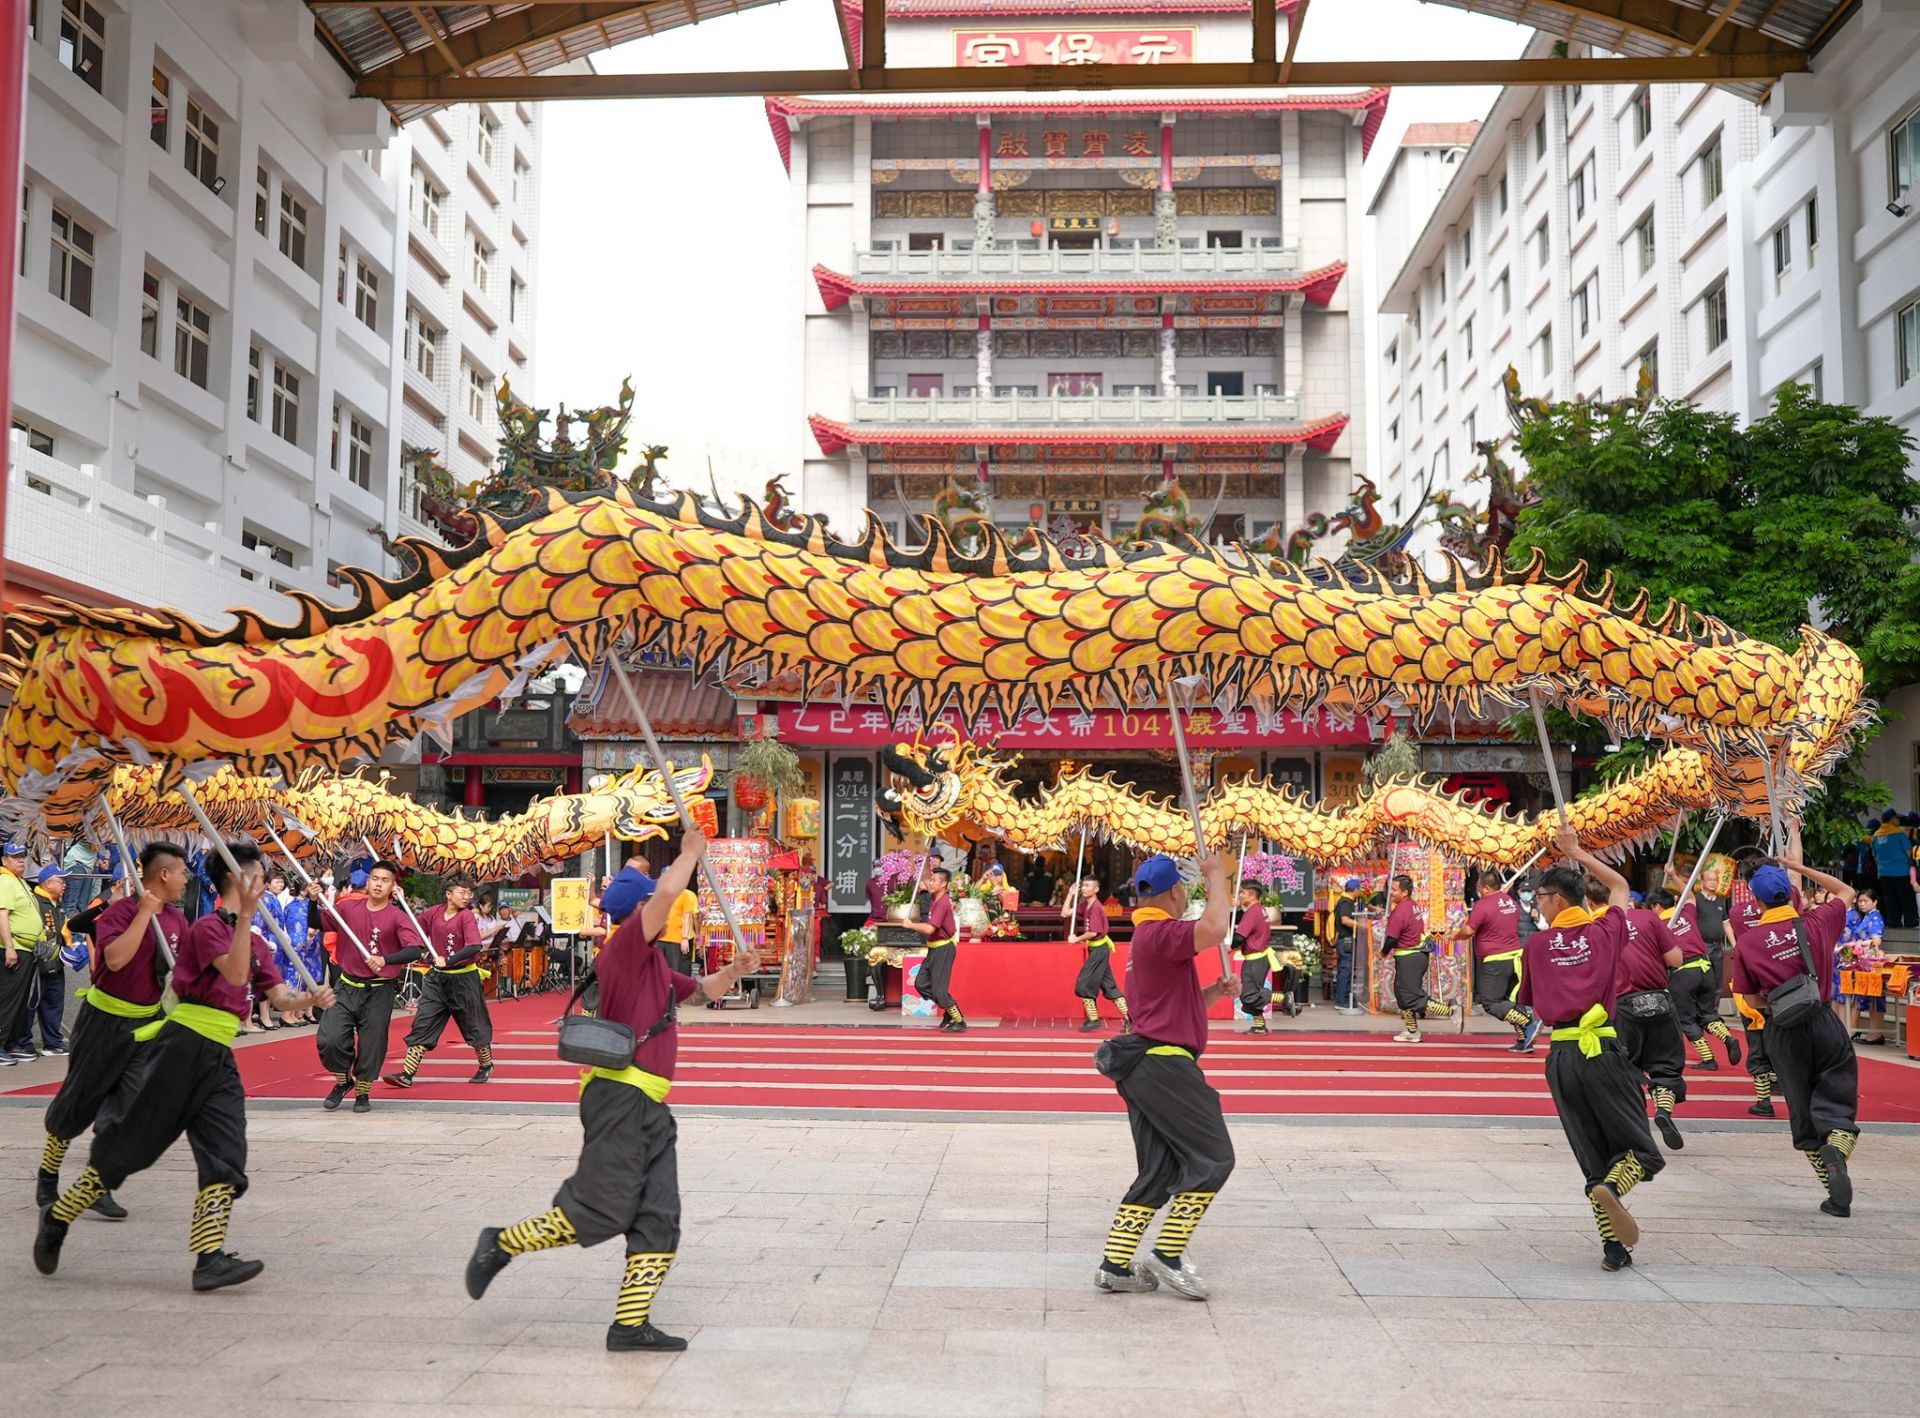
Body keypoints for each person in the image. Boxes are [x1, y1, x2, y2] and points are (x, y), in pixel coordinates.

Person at [465, 831, 761, 1352]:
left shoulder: (652, 965)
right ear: (639, 908)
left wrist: (734, 971)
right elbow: (667, 896)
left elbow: (703, 993)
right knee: (600, 1209)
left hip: (647, 1105)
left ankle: (629, 1325)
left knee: (658, 1217)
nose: (660, 903)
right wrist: (690, 854)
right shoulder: (624, 947)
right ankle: (502, 1243)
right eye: (651, 898)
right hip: (620, 1100)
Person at [34, 841, 334, 1290]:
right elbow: (233, 975)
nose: (264, 882)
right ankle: (59, 1215)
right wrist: (248, 917)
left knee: (226, 1152)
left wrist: (308, 998)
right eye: (257, 874)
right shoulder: (209, 929)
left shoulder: (251, 938)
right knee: (131, 1147)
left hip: (218, 1055)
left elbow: (276, 995)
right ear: (237, 879)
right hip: (181, 1046)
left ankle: (208, 1258)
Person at [1518, 825, 1663, 1273]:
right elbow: (1619, 885)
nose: (1536, 907)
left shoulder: (1537, 946)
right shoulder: (1605, 932)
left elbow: (1529, 1005)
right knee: (1641, 1152)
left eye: (1539, 898)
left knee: (1592, 1156)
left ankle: (1614, 1248)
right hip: (1601, 1050)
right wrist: (1577, 851)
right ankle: (1616, 1191)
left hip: (1561, 1059)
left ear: (1556, 899)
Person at [1093, 852, 1237, 1300]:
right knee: (1213, 1158)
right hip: (1165, 1064)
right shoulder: (1159, 933)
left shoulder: (1147, 937)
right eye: (1185, 890)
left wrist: (1214, 991)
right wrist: (1216, 877)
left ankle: (1115, 1266)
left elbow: (1170, 1007)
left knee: (1158, 1170)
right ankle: (1168, 1254)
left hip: (1147, 1063)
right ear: (1176, 891)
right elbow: (1215, 929)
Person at [36, 843, 193, 1221]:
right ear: (164, 874)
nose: (188, 880)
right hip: (103, 1021)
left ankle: (97, 1182)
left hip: (146, 1025)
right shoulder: (117, 912)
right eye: (183, 873)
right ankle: (48, 1173)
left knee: (129, 1109)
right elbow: (116, 960)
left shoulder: (177, 920)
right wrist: (143, 915)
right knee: (79, 1100)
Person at [1730, 839, 1859, 1216]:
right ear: (1791, 895)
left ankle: (1835, 1195)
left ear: (1756, 902)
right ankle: (1838, 1144)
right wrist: (1799, 867)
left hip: (1783, 1030)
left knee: (1802, 1113)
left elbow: (1750, 999)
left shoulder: (1749, 942)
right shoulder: (1816, 923)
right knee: (1837, 1097)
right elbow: (1845, 891)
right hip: (1822, 1020)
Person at [315, 860, 427, 1113]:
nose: (378, 884)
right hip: (346, 985)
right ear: (368, 882)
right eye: (375, 878)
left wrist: (385, 959)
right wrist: (313, 900)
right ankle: (344, 1081)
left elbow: (413, 950)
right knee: (329, 1038)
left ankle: (363, 1092)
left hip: (379, 989)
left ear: (392, 887)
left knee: (372, 1043)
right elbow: (320, 922)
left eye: (384, 880)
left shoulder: (398, 917)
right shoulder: (349, 909)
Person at [385, 876, 496, 1088]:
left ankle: (486, 1064)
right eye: (462, 892)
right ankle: (407, 1074)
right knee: (424, 1021)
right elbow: (411, 927)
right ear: (448, 894)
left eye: (469, 893)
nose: (467, 897)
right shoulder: (434, 913)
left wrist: (449, 959)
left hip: (464, 978)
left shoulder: (467, 917)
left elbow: (474, 946)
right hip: (437, 979)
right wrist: (399, 902)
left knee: (474, 1025)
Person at [1609, 885, 1689, 1151]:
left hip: (1623, 1006)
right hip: (1659, 1001)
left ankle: (1630, 1128)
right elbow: (1676, 959)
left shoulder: (1596, 926)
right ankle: (1663, 1109)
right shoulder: (1648, 918)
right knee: (1665, 1065)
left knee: (1625, 1067)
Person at [1451, 868, 1541, 1052]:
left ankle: (1528, 1021)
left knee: (1490, 1002)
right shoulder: (1510, 901)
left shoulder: (1483, 905)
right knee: (1508, 1002)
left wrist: (1455, 936)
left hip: (1496, 959)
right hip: (1514, 955)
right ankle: (1524, 1039)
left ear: (1484, 888)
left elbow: (1468, 931)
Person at [1381, 874, 1454, 1042]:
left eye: (1394, 889)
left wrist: (1383, 952)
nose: (1391, 892)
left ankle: (1450, 1011)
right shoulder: (1412, 905)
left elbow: (1391, 938)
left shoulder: (1400, 910)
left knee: (1411, 997)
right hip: (1415, 956)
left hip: (1410, 957)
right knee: (1402, 994)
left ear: (1405, 892)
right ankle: (1411, 1030)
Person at [0, 842, 49, 1064]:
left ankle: (11, 1044)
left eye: (22, 856)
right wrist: (9, 947)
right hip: (14, 948)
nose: (21, 859)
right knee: (8, 1000)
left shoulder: (19, 881)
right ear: (4, 861)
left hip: (26, 949)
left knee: (19, 1001)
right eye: (15, 856)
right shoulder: (6, 880)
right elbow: (2, 915)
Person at [1065, 876, 1128, 1033]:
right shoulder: (1085, 905)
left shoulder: (1096, 908)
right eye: (1083, 886)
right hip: (1096, 949)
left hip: (1099, 949)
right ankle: (1132, 1020)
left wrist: (1076, 939)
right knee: (1109, 986)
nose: (1084, 888)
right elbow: (1066, 913)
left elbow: (1093, 932)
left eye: (1087, 885)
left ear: (1096, 889)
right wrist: (1070, 894)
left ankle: (1093, 1019)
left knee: (1083, 984)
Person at [906, 867, 964, 1031]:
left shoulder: (942, 903)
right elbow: (924, 877)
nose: (930, 883)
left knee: (939, 990)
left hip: (943, 949)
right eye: (931, 880)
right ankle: (948, 1009)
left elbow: (931, 929)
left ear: (944, 884)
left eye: (934, 881)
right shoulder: (935, 898)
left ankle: (958, 1020)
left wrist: (911, 925)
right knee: (921, 984)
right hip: (933, 949)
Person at [1839, 888, 1888, 1045]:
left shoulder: (1875, 917)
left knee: (1876, 997)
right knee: (1866, 996)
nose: (1862, 904)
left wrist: (1861, 944)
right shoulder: (1866, 917)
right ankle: (1871, 1032)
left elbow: (1877, 940)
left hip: (1870, 962)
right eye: (1860, 901)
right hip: (1861, 962)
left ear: (1875, 902)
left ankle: (1876, 1033)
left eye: (1866, 901)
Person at [1232, 883, 1279, 1035]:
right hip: (1258, 957)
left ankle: (1283, 998)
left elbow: (1240, 936)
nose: (1240, 896)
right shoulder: (1258, 909)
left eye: (1242, 893)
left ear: (1252, 896)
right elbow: (1243, 925)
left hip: (1255, 959)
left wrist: (1229, 946)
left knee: (1249, 995)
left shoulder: (1253, 912)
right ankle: (1260, 1026)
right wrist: (1238, 909)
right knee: (1249, 995)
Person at [1866, 809, 1913, 929]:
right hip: (1901, 871)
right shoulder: (1899, 833)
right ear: (1892, 819)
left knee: (1890, 899)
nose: (1898, 820)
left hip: (1884, 872)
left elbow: (1875, 856)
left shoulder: (1876, 836)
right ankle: (1910, 921)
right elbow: (1908, 852)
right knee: (1905, 897)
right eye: (1896, 818)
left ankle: (1893, 921)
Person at [1331, 879, 1363, 1008]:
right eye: (1359, 890)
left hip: (1346, 941)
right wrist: (1361, 926)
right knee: (1346, 969)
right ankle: (1342, 1000)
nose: (1360, 892)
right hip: (1346, 940)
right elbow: (1345, 920)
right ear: (1355, 890)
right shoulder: (1346, 902)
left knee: (1346, 969)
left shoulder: (1346, 901)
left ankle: (1343, 998)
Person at [658, 879, 699, 977]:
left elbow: (690, 916)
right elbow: (696, 917)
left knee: (672, 965)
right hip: (684, 936)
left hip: (682, 936)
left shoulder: (685, 895)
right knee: (682, 964)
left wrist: (695, 936)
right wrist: (698, 935)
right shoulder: (690, 894)